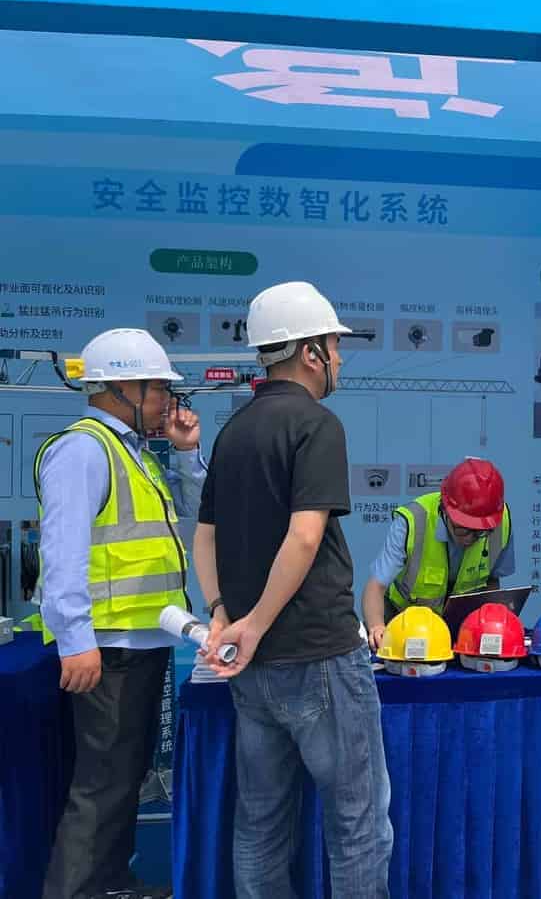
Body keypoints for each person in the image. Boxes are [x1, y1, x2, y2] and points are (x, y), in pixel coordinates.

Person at [194, 281, 392, 899]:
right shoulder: (317, 424)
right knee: (358, 824)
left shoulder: (233, 430)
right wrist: (250, 625)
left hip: (253, 668)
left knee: (260, 824)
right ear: (310, 352)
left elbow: (205, 536)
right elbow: (305, 537)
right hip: (320, 656)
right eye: (335, 345)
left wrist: (225, 615)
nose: (340, 357)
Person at [36, 328, 205, 899]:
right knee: (102, 782)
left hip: (140, 641)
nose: (167, 401)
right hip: (107, 649)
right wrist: (75, 640)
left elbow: (196, 509)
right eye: (158, 388)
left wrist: (186, 453)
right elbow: (63, 552)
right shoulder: (83, 450)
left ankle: (109, 884)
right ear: (120, 388)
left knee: (124, 777)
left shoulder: (134, 452)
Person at [361, 457, 514, 650]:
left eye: (480, 532)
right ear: (445, 510)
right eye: (463, 529)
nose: (471, 538)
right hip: (404, 624)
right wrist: (376, 627)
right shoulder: (413, 521)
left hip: (464, 628)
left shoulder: (499, 522)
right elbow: (376, 587)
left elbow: (492, 581)